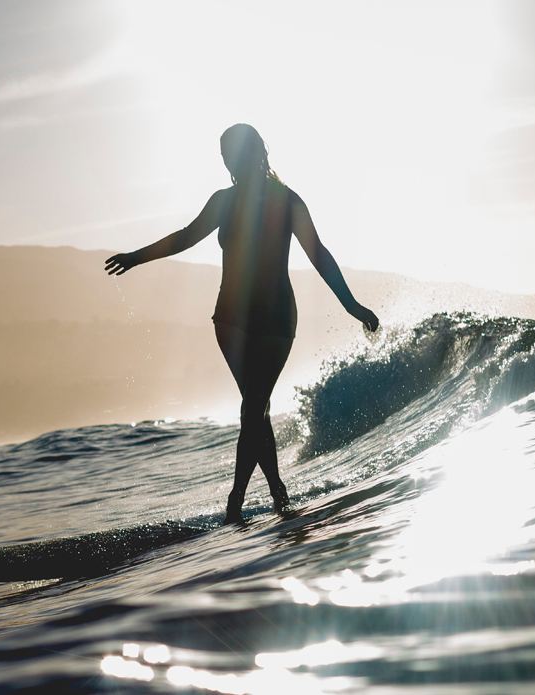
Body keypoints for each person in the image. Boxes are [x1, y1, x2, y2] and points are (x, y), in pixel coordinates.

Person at [105, 123, 379, 523]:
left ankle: (236, 503)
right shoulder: (223, 201)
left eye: (232, 152)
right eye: (223, 156)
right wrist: (135, 257)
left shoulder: (288, 201)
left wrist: (352, 305)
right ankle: (277, 496)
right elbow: (185, 238)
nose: (228, 162)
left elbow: (318, 254)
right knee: (256, 409)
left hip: (276, 318)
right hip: (230, 318)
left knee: (252, 410)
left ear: (254, 152)